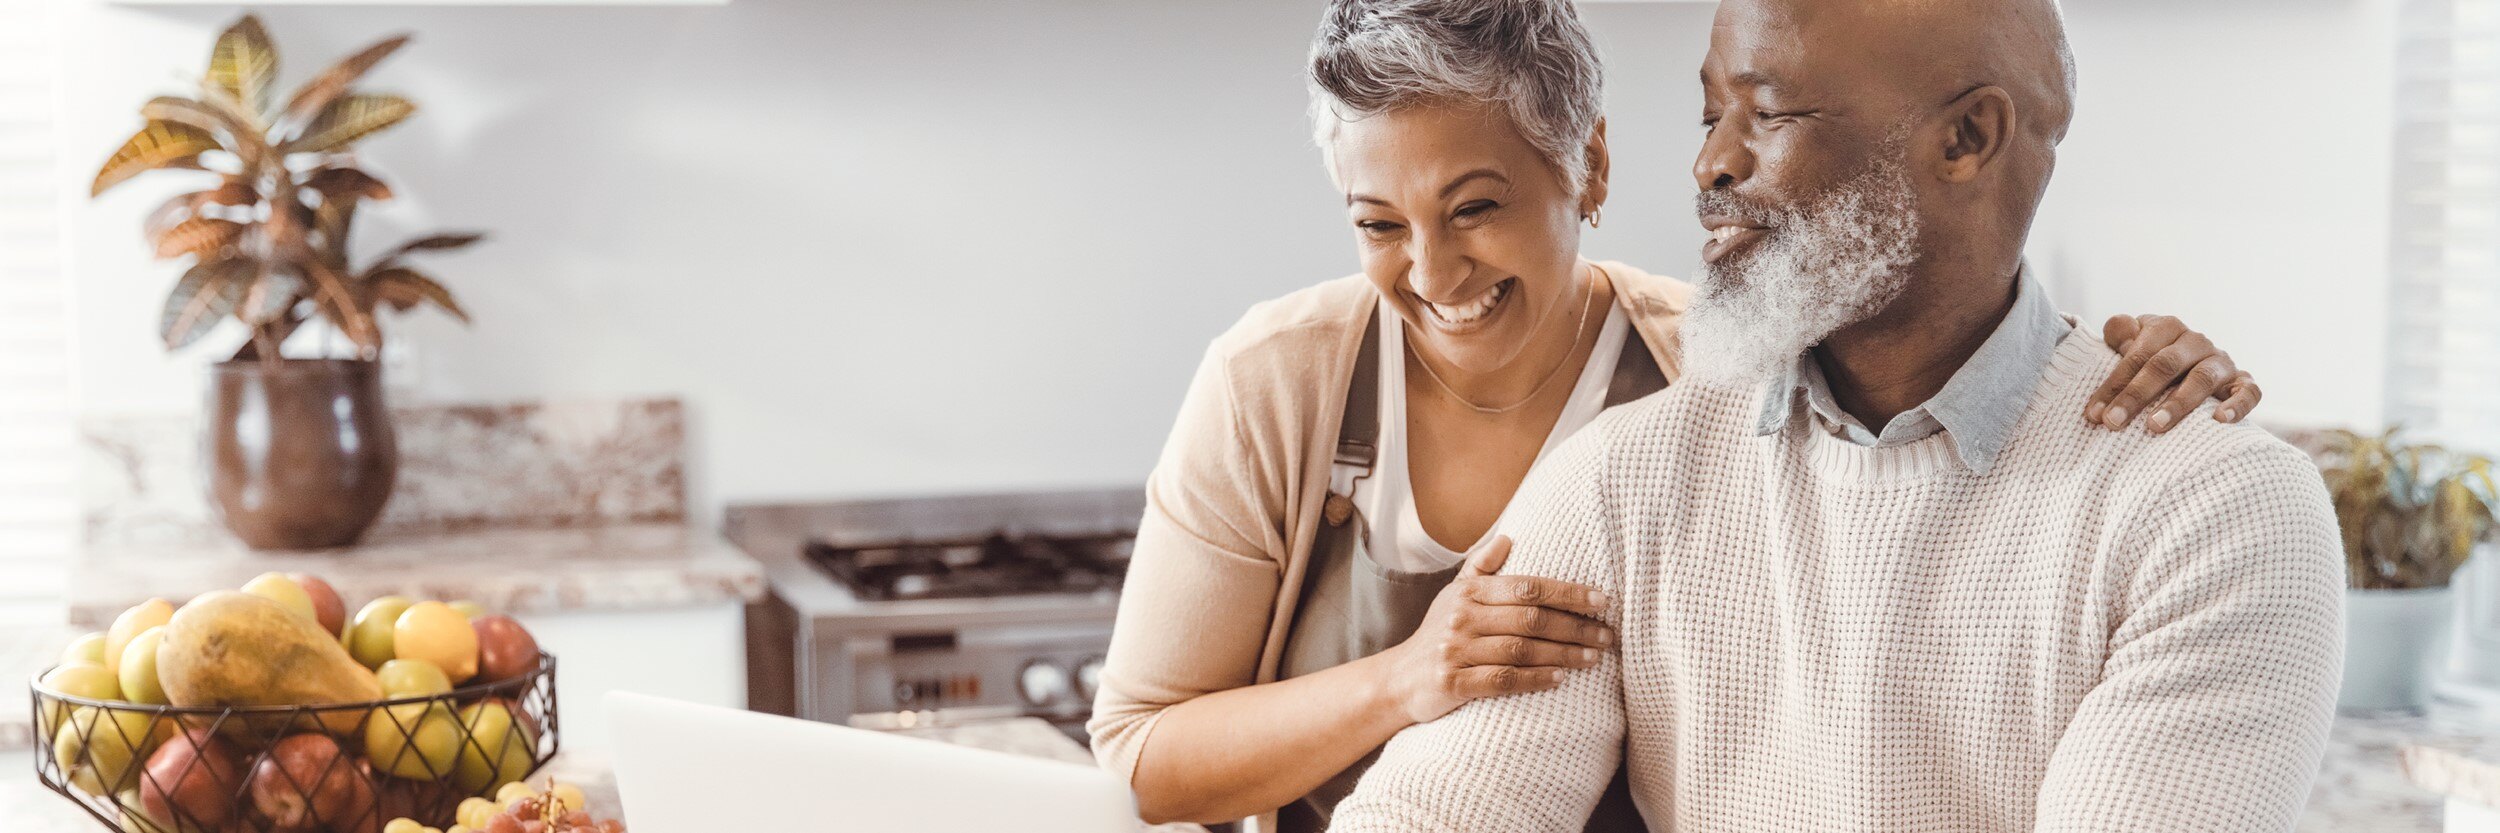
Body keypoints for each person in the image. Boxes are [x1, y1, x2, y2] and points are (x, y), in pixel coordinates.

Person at [1090, 1, 2268, 830]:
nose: (1432, 267)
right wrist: (1405, 678)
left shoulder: (1693, 367)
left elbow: (1943, 339)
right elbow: (1406, 796)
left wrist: (2111, 374)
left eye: (1477, 206)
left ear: (1586, 173)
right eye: (1378, 222)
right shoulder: (1301, 384)